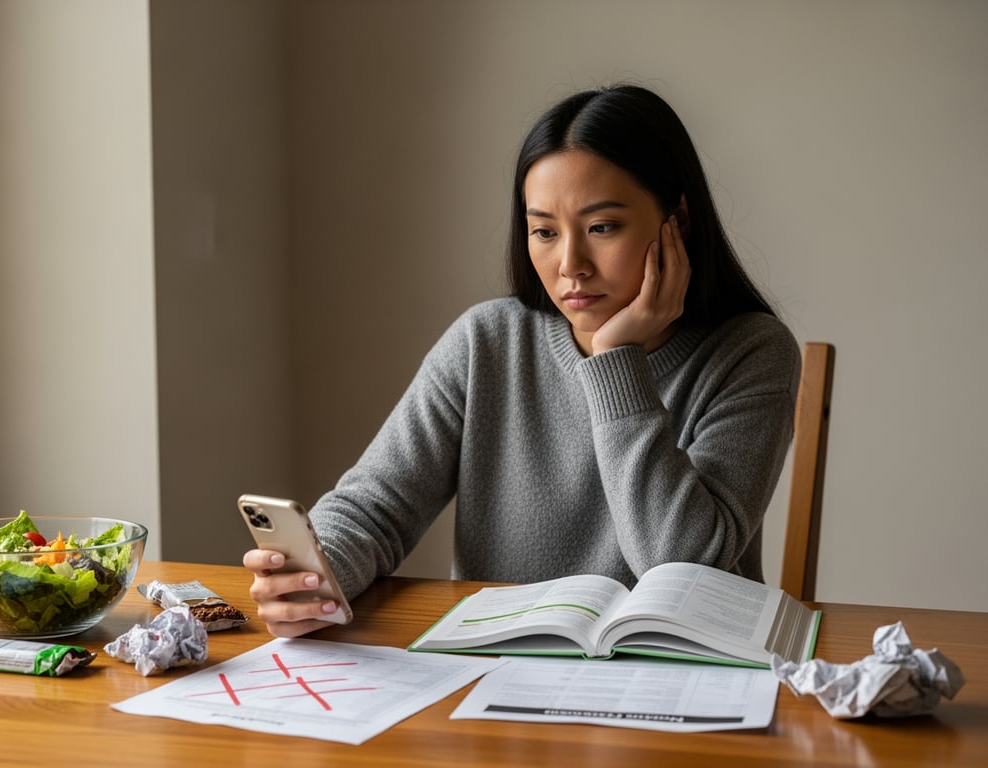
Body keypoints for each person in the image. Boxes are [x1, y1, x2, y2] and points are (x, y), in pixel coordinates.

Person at [244, 83, 801, 638]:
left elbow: (682, 566)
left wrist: (616, 359)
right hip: (501, 676)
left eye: (602, 227)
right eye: (544, 232)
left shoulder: (752, 352)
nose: (570, 265)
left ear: (676, 221)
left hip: (677, 676)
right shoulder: (485, 341)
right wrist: (312, 578)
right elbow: (373, 507)